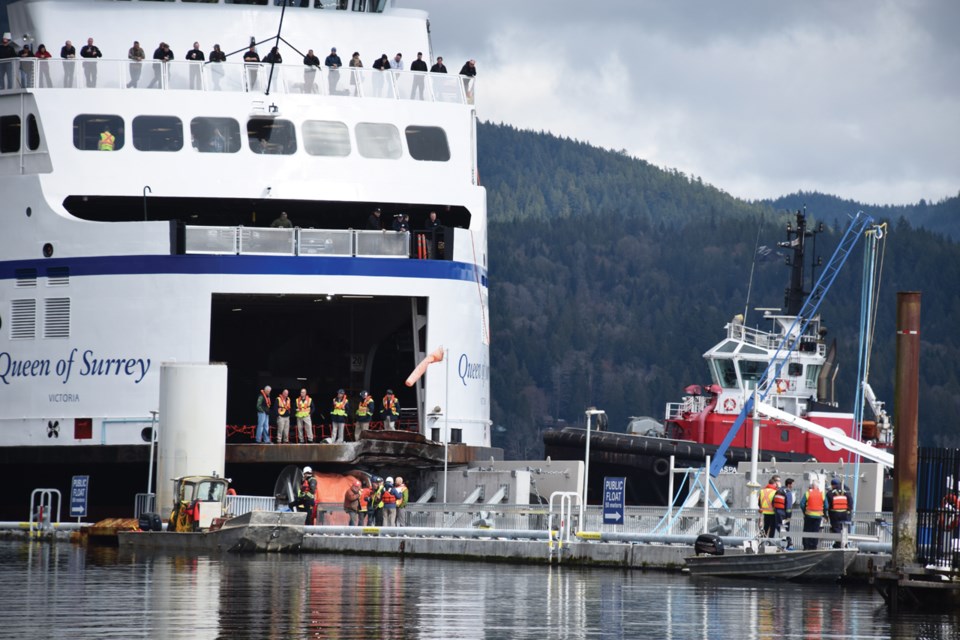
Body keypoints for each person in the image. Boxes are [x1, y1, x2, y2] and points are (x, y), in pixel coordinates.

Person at [798, 481, 825, 550]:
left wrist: (805, 511)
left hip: (809, 515)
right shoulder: (822, 493)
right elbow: (826, 506)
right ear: (818, 487)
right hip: (818, 516)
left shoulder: (808, 493)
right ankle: (813, 547)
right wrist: (824, 513)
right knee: (815, 531)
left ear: (812, 486)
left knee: (807, 531)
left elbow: (801, 504)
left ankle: (806, 547)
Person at [826, 478, 851, 548]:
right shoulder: (846, 492)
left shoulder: (830, 493)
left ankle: (838, 543)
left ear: (832, 485)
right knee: (844, 528)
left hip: (834, 514)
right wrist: (848, 511)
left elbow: (827, 505)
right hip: (845, 514)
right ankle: (845, 543)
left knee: (836, 529)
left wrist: (826, 515)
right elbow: (850, 502)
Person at [758, 475, 781, 539]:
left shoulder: (762, 491)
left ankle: (762, 542)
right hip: (772, 512)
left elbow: (759, 502)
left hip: (764, 512)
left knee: (765, 527)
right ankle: (770, 543)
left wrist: (762, 508)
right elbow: (775, 502)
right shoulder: (775, 491)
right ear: (774, 484)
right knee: (772, 528)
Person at [781, 478, 796, 548]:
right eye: (792, 484)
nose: (793, 486)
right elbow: (789, 506)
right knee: (786, 529)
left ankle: (787, 543)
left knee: (781, 529)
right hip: (786, 515)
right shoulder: (788, 492)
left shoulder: (780, 490)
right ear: (789, 484)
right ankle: (788, 543)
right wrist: (789, 516)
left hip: (779, 513)